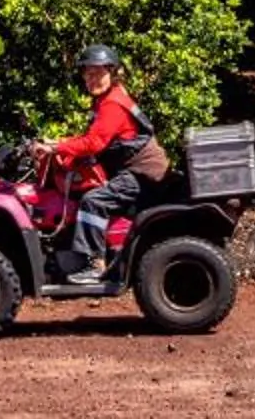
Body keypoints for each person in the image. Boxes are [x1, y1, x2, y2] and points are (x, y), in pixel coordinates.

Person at [42, 45, 168, 288]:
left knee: (93, 200)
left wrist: (57, 148)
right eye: (88, 74)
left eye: (98, 73)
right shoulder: (109, 98)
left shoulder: (112, 104)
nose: (92, 79)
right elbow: (96, 139)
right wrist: (60, 144)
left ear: (112, 73)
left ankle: (94, 265)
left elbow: (94, 143)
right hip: (136, 170)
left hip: (142, 174)